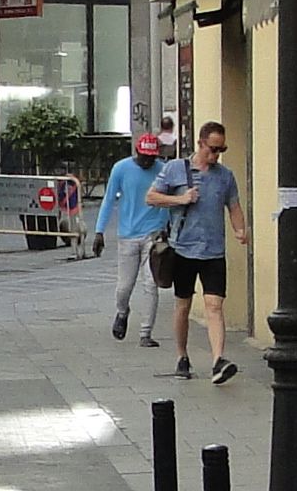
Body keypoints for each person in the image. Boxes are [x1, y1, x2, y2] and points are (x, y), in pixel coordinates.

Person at [147, 121, 251, 384]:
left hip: (214, 251)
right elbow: (151, 197)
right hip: (183, 249)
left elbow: (234, 206)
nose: (216, 155)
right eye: (213, 149)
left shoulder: (225, 176)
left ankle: (218, 361)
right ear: (201, 144)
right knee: (183, 305)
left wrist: (241, 229)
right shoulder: (175, 169)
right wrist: (180, 199)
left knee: (214, 305)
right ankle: (182, 355)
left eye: (221, 150)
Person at [96, 132, 175, 347]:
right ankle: (122, 312)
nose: (148, 161)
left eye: (152, 157)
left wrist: (169, 227)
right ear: (137, 152)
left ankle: (146, 333)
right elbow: (109, 199)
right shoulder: (121, 169)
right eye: (144, 157)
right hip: (128, 235)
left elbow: (168, 200)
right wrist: (99, 231)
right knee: (124, 287)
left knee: (151, 283)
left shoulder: (163, 170)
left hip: (154, 235)